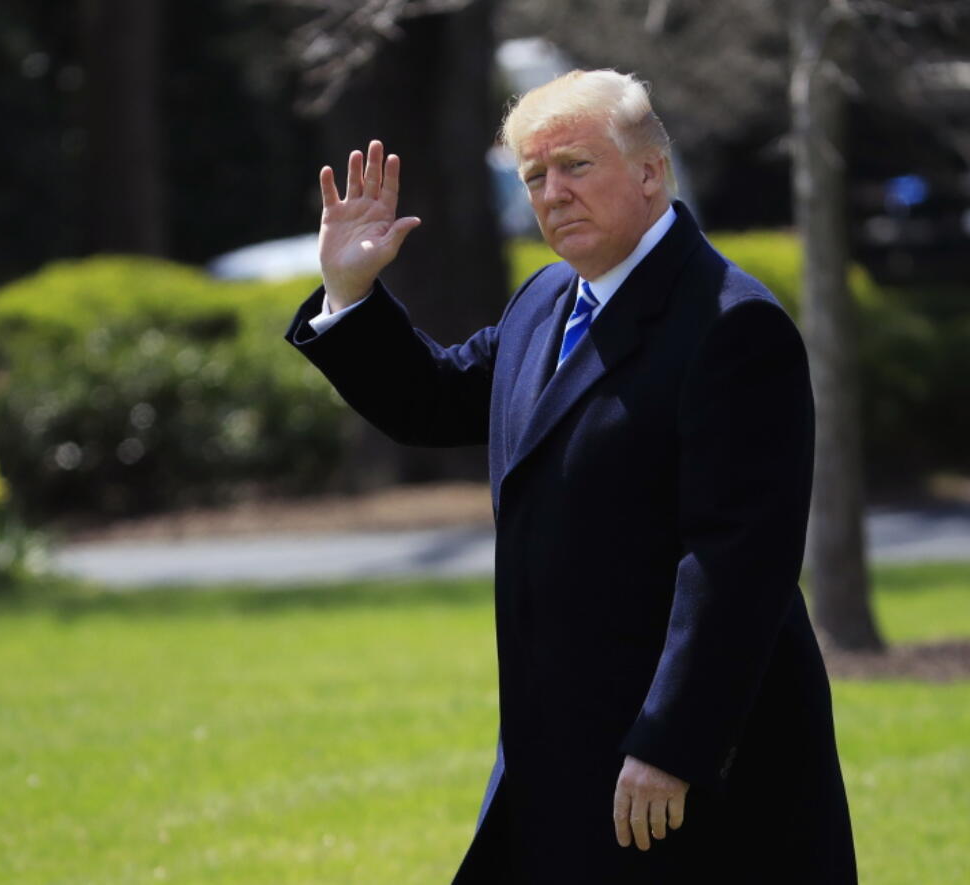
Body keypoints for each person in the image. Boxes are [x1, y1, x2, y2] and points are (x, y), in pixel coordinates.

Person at [285, 69, 857, 883]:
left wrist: (671, 743)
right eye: (533, 176)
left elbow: (736, 567)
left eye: (576, 167)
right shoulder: (549, 297)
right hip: (554, 754)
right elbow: (438, 402)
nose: (552, 193)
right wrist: (350, 291)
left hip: (683, 771)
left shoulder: (735, 325)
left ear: (652, 172)